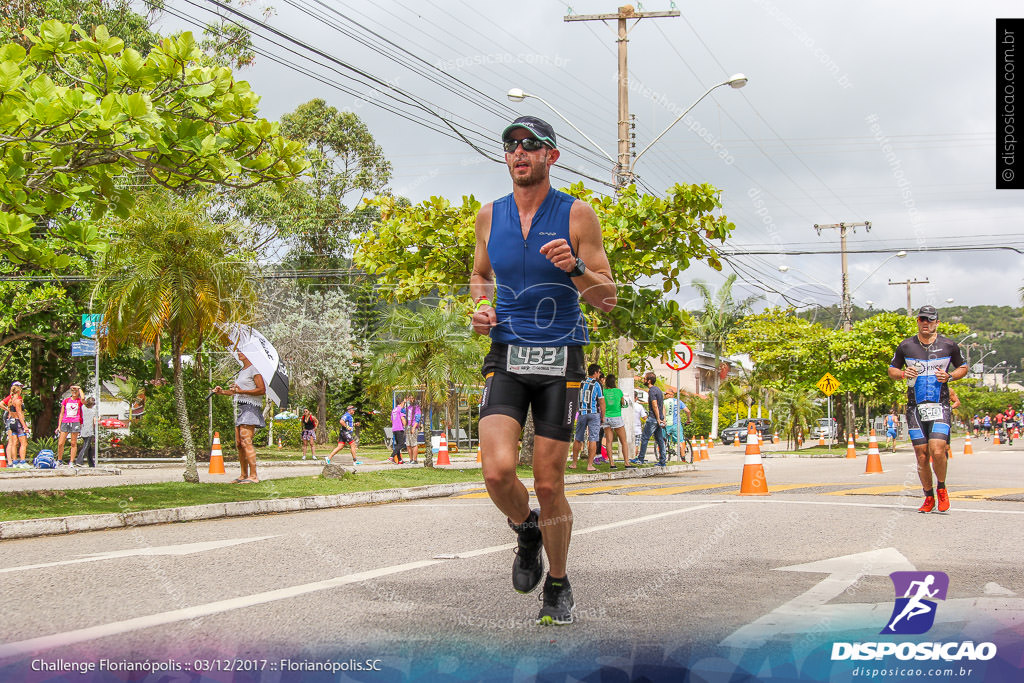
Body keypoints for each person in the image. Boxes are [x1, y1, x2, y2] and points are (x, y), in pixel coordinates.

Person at [469, 115, 616, 625]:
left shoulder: (577, 215)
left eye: (531, 145)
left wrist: (574, 268)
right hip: (507, 354)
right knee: (496, 471)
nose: (519, 152)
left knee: (550, 482)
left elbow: (608, 300)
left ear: (551, 156)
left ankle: (558, 583)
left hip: (561, 359)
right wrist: (482, 309)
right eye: (511, 145)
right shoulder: (489, 216)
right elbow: (480, 274)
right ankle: (525, 527)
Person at [887, 305, 967, 513]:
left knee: (938, 450)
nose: (925, 323)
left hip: (940, 405)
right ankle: (928, 495)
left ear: (937, 323)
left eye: (930, 320)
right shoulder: (906, 346)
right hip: (915, 407)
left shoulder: (949, 345)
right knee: (921, 454)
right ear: (918, 322)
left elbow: (963, 367)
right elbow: (891, 369)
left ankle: (941, 487)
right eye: (922, 319)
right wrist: (904, 374)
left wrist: (950, 376)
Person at [214, 351, 266, 483]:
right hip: (240, 407)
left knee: (246, 441)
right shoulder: (242, 370)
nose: (239, 353)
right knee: (239, 444)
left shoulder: (254, 369)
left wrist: (241, 391)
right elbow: (235, 392)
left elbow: (261, 390)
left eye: (242, 351)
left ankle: (253, 476)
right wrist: (222, 392)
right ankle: (243, 475)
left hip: (250, 408)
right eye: (238, 351)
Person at [570, 364, 604, 471]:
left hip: (582, 413)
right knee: (593, 439)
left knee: (578, 438)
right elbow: (602, 402)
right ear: (595, 372)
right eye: (599, 372)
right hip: (594, 414)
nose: (599, 374)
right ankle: (589, 465)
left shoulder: (581, 383)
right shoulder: (597, 385)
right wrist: (603, 416)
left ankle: (574, 463)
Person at [633, 372, 667, 466]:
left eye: (645, 379)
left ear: (649, 381)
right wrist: (662, 418)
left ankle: (640, 459)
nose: (643, 380)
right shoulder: (659, 390)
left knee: (644, 438)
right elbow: (662, 406)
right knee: (660, 439)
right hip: (659, 418)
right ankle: (662, 461)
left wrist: (657, 418)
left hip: (653, 418)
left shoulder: (652, 391)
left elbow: (655, 405)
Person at [601, 374, 630, 469]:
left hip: (606, 418)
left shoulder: (603, 392)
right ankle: (626, 463)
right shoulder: (618, 391)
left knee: (609, 442)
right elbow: (623, 403)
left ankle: (612, 464)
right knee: (623, 441)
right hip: (616, 417)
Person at [56, 385, 84, 467]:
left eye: (76, 391)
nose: (74, 392)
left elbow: (83, 398)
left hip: (75, 422)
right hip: (65, 421)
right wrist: (59, 426)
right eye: (72, 390)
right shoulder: (66, 400)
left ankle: (71, 461)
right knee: (60, 443)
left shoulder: (79, 401)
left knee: (73, 443)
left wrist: (79, 388)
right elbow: (61, 414)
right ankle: (59, 460)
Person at [3, 381, 30, 467]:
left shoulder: (11, 400)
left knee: (14, 442)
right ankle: (22, 462)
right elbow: (19, 414)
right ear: (18, 390)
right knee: (24, 442)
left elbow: (9, 411)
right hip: (17, 422)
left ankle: (14, 462)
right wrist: (25, 426)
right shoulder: (18, 401)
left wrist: (8, 411)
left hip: (11, 422)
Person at [74, 397, 98, 467]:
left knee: (89, 448)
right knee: (86, 446)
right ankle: (79, 461)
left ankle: (91, 463)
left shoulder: (82, 409)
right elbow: (94, 422)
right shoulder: (93, 411)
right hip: (89, 431)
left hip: (83, 429)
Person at [389, 397, 407, 464]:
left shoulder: (394, 410)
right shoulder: (400, 409)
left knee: (398, 445)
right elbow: (402, 418)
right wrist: (405, 425)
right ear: (401, 402)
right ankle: (391, 456)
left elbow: (392, 419)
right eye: (404, 403)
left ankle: (400, 460)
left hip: (394, 428)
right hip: (399, 428)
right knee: (401, 444)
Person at [405, 396, 422, 464]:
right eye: (409, 398)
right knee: (408, 444)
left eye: (412, 398)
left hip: (413, 426)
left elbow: (418, 418)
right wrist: (404, 401)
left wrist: (414, 427)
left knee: (414, 444)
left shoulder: (417, 408)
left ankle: (415, 460)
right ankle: (411, 459)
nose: (410, 400)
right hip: (408, 426)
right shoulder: (408, 408)